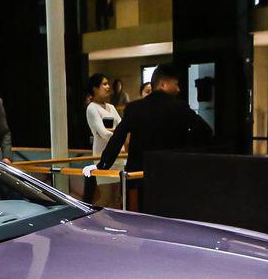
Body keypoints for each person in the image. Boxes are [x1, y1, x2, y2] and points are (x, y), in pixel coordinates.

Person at [85, 63, 212, 211]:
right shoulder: (180, 107)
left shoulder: (134, 108)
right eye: (176, 84)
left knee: (142, 213)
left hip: (139, 175)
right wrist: (186, 152)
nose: (178, 89)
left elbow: (117, 138)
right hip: (171, 172)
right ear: (163, 84)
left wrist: (102, 165)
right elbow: (205, 131)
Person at [85, 73, 121, 156]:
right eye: (104, 84)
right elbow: (104, 133)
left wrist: (117, 131)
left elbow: (122, 126)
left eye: (108, 84)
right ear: (95, 89)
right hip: (102, 153)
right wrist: (120, 133)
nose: (108, 87)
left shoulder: (111, 107)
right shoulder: (92, 107)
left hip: (117, 151)